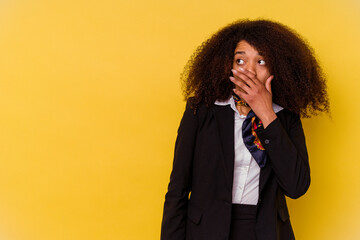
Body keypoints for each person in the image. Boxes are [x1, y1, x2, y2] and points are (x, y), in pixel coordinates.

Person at [161, 19, 329, 240]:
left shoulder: (285, 118)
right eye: (240, 60)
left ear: (275, 68)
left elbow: (296, 186)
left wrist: (266, 113)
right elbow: (177, 190)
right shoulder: (200, 111)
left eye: (261, 61)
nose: (248, 70)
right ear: (227, 64)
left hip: (263, 231)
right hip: (206, 230)